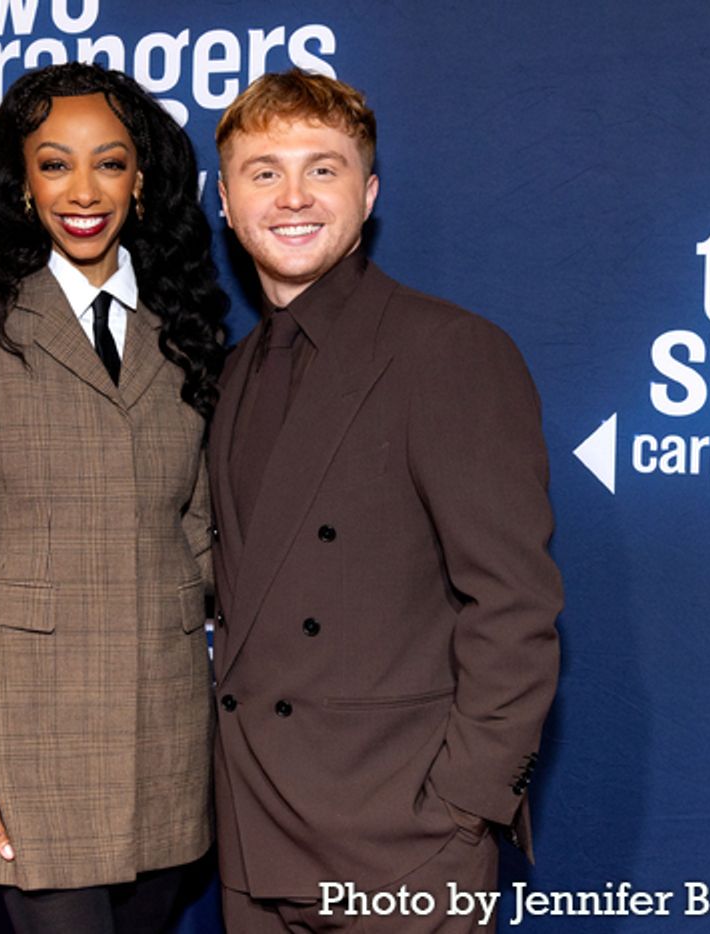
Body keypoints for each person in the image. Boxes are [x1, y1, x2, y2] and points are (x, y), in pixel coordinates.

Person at [206, 69, 563, 933]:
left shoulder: (448, 351)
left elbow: (514, 605)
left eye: (322, 170)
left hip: (403, 846)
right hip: (254, 845)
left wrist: (463, 806)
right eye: (264, 172)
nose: (293, 196)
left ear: (368, 194)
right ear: (225, 201)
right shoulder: (233, 373)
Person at [0, 62, 226, 934]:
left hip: (166, 721)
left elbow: (195, 526)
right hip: (26, 733)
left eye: (110, 163)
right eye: (55, 163)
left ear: (144, 179)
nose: (84, 190)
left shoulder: (184, 325)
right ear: (21, 181)